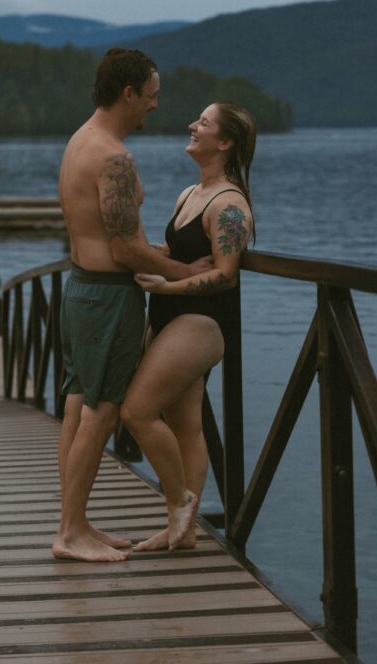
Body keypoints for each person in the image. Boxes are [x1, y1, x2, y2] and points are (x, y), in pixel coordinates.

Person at [52, 48, 212, 562]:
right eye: (151, 95)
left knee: (80, 406)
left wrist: (159, 255)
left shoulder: (82, 140)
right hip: (106, 297)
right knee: (101, 412)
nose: (155, 106)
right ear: (128, 93)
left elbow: (112, 237)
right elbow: (123, 248)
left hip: (80, 289)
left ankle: (75, 523)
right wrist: (185, 271)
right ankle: (70, 533)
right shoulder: (113, 157)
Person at [121, 102, 256, 551]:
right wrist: (142, 253)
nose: (191, 125)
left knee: (136, 411)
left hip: (199, 323)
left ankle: (179, 504)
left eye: (203, 122)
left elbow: (225, 274)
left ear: (225, 141)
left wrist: (166, 286)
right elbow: (181, 253)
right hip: (169, 315)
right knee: (185, 426)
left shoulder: (230, 204)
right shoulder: (188, 194)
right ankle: (184, 530)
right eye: (195, 118)